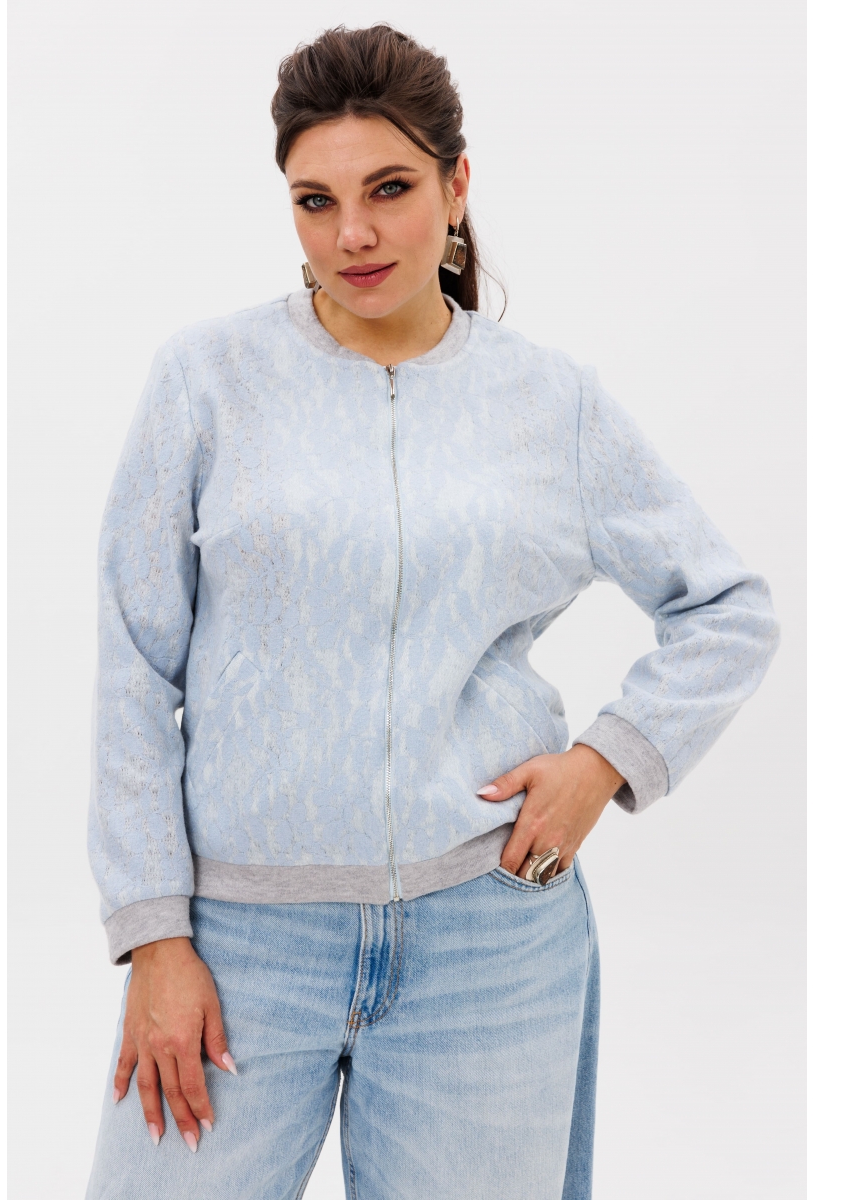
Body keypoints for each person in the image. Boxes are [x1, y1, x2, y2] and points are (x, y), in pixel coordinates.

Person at [85, 24, 779, 1200]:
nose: (351, 235)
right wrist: (155, 936)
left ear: (457, 187)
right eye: (315, 201)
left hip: (488, 945)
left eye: (390, 189)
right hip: (240, 945)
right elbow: (134, 671)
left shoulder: (549, 403)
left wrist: (605, 762)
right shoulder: (206, 382)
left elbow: (726, 606)